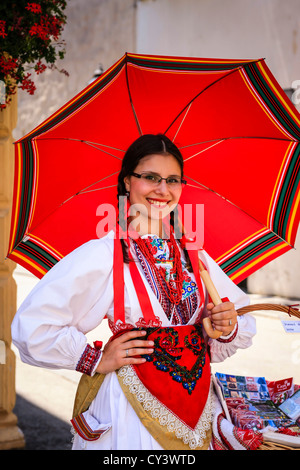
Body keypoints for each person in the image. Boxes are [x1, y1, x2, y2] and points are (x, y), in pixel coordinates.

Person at [11, 134, 256, 450]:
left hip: (195, 408)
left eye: (173, 180)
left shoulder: (194, 254)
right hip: (130, 409)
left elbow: (239, 319)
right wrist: (96, 358)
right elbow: (33, 325)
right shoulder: (103, 253)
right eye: (150, 177)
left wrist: (225, 324)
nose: (163, 189)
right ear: (127, 181)